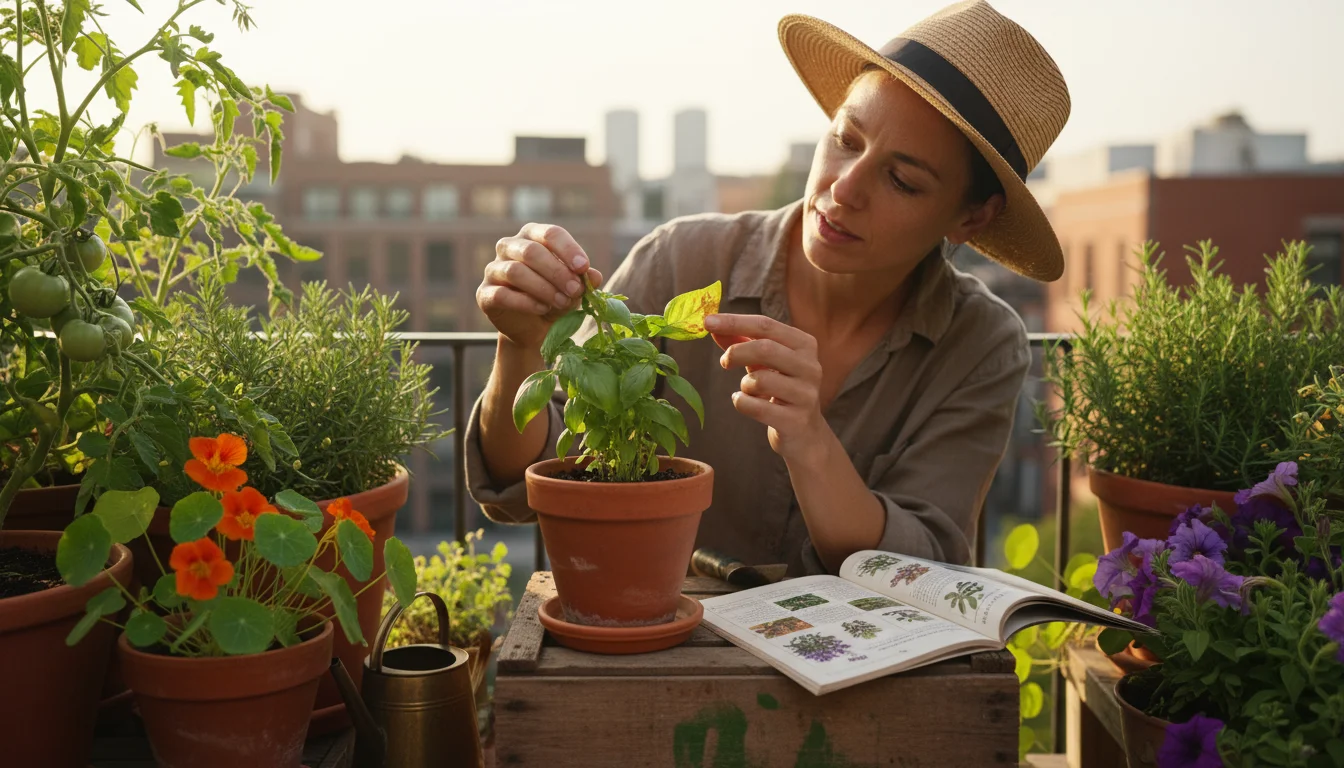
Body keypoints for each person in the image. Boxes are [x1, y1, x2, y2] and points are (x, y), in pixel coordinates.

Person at [465, 0, 1070, 576]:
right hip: (654, 652)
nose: (844, 188)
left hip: (858, 677)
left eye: (903, 181)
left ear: (971, 219)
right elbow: (525, 486)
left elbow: (926, 567)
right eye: (845, 139)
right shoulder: (683, 261)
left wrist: (810, 441)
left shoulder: (981, 342)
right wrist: (519, 347)